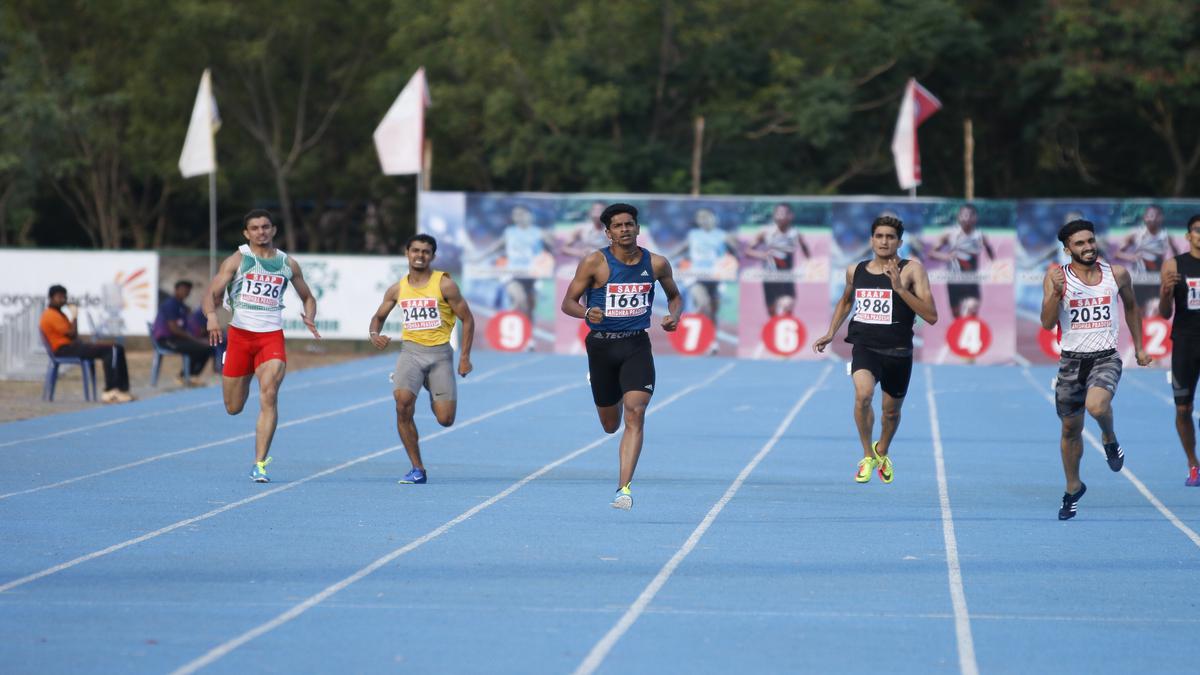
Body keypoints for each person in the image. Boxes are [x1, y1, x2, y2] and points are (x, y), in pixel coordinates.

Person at [560, 203, 682, 510]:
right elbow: (567, 304)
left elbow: (675, 296)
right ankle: (609, 388)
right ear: (608, 232)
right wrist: (588, 312)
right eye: (618, 226)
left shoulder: (656, 264)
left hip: (636, 345)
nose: (625, 229)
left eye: (630, 224)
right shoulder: (595, 262)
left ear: (638, 228)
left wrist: (673, 316)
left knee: (635, 412)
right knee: (610, 425)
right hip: (601, 347)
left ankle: (623, 488)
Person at [811, 215, 938, 484]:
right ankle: (868, 454)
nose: (884, 241)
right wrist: (831, 332)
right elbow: (846, 302)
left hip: (899, 351)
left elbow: (931, 315)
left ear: (899, 242)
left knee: (890, 413)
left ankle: (883, 450)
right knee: (863, 395)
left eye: (890, 237)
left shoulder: (912, 270)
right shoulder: (855, 270)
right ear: (871, 240)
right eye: (879, 236)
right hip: (865, 347)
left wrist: (900, 289)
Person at [1041, 219, 1151, 520]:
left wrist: (1139, 347)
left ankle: (1109, 437)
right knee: (1069, 429)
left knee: (1097, 406)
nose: (1088, 247)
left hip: (1106, 357)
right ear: (1067, 249)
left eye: (1090, 241)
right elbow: (1047, 323)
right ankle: (1073, 487)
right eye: (1080, 243)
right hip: (1071, 362)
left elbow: (1131, 306)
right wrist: (1055, 294)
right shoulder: (1056, 278)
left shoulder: (1116, 274)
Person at [202, 209, 321, 483]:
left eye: (265, 227)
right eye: (254, 228)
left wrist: (309, 316)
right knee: (234, 407)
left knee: (268, 395)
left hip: (271, 338)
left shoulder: (287, 264)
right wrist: (211, 316)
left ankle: (259, 464)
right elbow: (211, 293)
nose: (261, 232)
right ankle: (239, 385)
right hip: (241, 337)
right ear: (247, 233)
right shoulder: (239, 259)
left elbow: (308, 296)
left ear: (273, 230)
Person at [368, 233, 475, 485]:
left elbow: (468, 319)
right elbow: (377, 317)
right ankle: (417, 468)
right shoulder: (397, 288)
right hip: (411, 352)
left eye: (425, 252)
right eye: (415, 250)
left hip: (440, 355)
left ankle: (431, 383)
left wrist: (465, 357)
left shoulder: (445, 284)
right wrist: (374, 334)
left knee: (445, 420)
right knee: (402, 404)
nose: (420, 256)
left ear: (433, 256)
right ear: (407, 253)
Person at [1158, 214, 1200, 486]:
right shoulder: (1174, 265)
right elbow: (1164, 313)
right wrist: (1165, 291)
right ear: (1188, 236)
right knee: (1183, 408)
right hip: (1186, 343)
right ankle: (1193, 464)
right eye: (1197, 230)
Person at [39, 284, 134, 403]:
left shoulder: (59, 313)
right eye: (60, 297)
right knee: (110, 350)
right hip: (64, 349)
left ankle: (122, 389)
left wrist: (74, 318)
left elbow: (74, 335)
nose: (63, 300)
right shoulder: (50, 315)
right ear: (51, 298)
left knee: (118, 348)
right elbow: (72, 334)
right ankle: (110, 391)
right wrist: (74, 316)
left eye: (64, 297)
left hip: (71, 346)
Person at [671, 207, 738, 325]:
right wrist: (662, 259)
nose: (703, 220)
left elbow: (737, 252)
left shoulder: (723, 235)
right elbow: (679, 250)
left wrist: (733, 260)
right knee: (703, 303)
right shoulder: (693, 234)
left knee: (713, 311)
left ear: (715, 218)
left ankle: (711, 339)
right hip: (696, 276)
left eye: (706, 217)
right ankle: (689, 327)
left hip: (716, 277)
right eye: (700, 218)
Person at [927, 204, 995, 318]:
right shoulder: (949, 234)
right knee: (957, 317)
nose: (966, 218)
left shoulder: (981, 235)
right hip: (954, 280)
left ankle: (970, 331)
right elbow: (931, 253)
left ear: (975, 218)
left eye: (970, 215)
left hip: (971, 280)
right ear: (958, 217)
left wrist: (990, 253)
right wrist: (947, 257)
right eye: (963, 215)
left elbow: (991, 256)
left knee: (972, 313)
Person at [743, 203, 811, 316]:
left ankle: (786, 328)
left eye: (783, 213)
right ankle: (774, 327)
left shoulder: (795, 233)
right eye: (777, 213)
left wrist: (805, 248)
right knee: (772, 311)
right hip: (770, 277)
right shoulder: (765, 232)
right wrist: (762, 255)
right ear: (774, 215)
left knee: (787, 307)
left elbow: (808, 255)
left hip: (787, 277)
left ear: (790, 216)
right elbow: (747, 251)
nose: (780, 216)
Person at [1113, 205, 1180, 316]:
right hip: (1140, 279)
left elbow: (1177, 256)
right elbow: (1117, 254)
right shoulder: (1135, 234)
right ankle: (1143, 331)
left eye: (1155, 215)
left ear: (1161, 217)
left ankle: (1156, 330)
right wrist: (1132, 257)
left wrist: (1172, 267)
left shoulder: (1166, 236)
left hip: (1157, 278)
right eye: (1149, 216)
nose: (1152, 218)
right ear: (1144, 217)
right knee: (1140, 312)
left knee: (1157, 309)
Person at [152, 280, 212, 382]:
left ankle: (191, 375)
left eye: (188, 291)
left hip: (177, 339)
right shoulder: (170, 305)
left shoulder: (183, 306)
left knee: (207, 347)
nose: (186, 293)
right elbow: (174, 329)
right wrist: (195, 340)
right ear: (176, 290)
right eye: (183, 290)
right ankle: (185, 376)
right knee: (200, 347)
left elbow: (188, 326)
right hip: (166, 340)